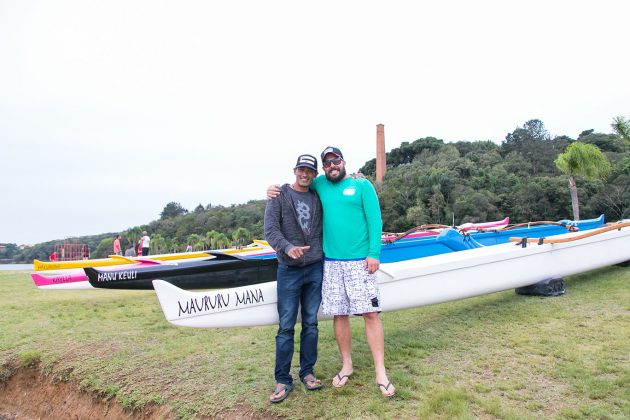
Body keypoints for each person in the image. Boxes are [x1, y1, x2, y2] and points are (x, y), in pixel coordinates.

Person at [268, 146, 395, 397]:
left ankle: (380, 371)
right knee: (339, 315)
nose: (331, 166)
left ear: (343, 161)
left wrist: (374, 254)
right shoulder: (320, 185)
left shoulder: (362, 186)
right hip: (332, 263)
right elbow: (297, 186)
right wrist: (273, 188)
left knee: (370, 314)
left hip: (360, 261)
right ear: (322, 170)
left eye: (335, 161)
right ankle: (346, 365)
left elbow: (375, 221)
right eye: (327, 164)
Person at [264, 154, 324, 403]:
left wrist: (357, 178)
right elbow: (270, 230)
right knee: (286, 326)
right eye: (301, 169)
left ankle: (307, 372)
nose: (305, 174)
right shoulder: (279, 195)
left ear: (314, 174)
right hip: (288, 269)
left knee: (310, 323)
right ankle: (282, 379)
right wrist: (288, 248)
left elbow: (338, 186)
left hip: (314, 268)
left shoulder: (317, 196)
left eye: (310, 171)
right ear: (294, 170)